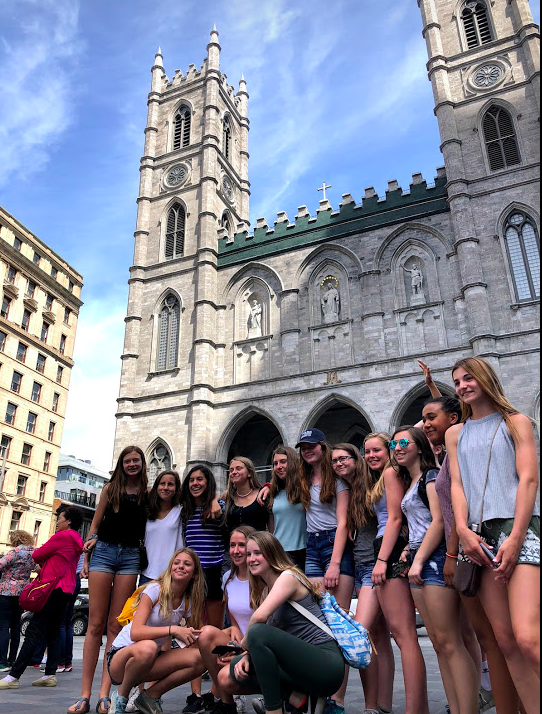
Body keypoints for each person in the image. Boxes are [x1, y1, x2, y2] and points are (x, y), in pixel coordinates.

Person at [447, 356, 540, 714]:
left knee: (529, 637)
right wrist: (461, 531)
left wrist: (516, 537)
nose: (462, 386)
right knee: (504, 641)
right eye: (456, 382)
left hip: (521, 530)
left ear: (485, 379)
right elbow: (457, 485)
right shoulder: (456, 434)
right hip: (478, 538)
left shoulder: (517, 422)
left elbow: (529, 480)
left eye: (468, 378)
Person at [392, 425, 479, 714]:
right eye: (394, 444)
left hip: (435, 559)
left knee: (450, 642)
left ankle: (468, 709)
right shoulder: (411, 480)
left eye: (404, 442)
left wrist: (417, 559)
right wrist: (409, 552)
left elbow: (440, 521)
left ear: (420, 445)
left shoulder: (430, 476)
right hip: (419, 558)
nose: (398, 447)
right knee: (440, 645)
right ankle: (456, 708)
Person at [218, 531, 345, 714]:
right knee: (231, 671)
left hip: (325, 664)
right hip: (300, 666)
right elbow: (265, 643)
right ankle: (295, 697)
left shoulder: (288, 577)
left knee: (256, 631)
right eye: (249, 554)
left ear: (271, 553)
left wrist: (245, 646)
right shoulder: (265, 592)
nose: (251, 559)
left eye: (257, 553)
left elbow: (259, 621)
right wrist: (247, 656)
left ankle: (273, 710)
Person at [68, 446, 149, 714]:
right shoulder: (110, 489)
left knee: (115, 626)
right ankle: (84, 695)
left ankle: (105, 695)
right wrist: (88, 560)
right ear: (121, 464)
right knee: (94, 624)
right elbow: (94, 527)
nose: (132, 464)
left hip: (130, 557)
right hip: (103, 552)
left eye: (136, 460)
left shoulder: (147, 493)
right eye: (128, 461)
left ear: (142, 463)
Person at [365, 432, 429, 714]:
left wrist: (381, 560)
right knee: (404, 637)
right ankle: (419, 708)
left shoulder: (391, 473)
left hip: (389, 549)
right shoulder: (393, 473)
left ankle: (414, 709)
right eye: (366, 451)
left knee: (403, 637)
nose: (371, 456)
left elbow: (393, 518)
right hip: (395, 546)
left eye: (377, 449)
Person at [333, 442, 394, 714]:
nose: (338, 464)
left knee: (357, 632)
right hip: (361, 565)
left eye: (344, 458)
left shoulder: (374, 480)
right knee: (378, 638)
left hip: (374, 564)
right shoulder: (346, 487)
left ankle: (344, 702)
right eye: (334, 460)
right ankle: (382, 706)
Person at [107, 548, 206, 714]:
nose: (180, 566)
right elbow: (135, 633)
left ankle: (150, 696)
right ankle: (120, 696)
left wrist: (224, 640)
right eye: (177, 563)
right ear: (170, 567)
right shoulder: (155, 590)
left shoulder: (187, 600)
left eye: (187, 564)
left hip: (149, 661)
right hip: (121, 658)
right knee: (149, 647)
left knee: (201, 659)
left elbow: (199, 635)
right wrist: (173, 630)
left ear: (194, 573)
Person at [296, 428, 354, 714]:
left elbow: (343, 523)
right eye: (303, 447)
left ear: (322, 447)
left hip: (333, 544)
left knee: (338, 624)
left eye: (311, 446)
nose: (307, 451)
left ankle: (337, 700)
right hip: (312, 546)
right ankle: (317, 694)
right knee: (317, 622)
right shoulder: (303, 478)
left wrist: (334, 561)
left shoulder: (338, 480)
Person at [0, 505, 84, 690]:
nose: (57, 521)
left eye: (60, 518)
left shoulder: (62, 536)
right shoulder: (77, 539)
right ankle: (50, 674)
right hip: (67, 588)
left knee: (33, 631)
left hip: (53, 588)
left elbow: (37, 555)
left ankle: (13, 676)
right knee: (54, 630)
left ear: (68, 521)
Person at [181, 465, 227, 714]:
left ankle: (219, 691)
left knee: (215, 633)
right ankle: (195, 693)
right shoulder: (185, 509)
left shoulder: (218, 507)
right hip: (193, 574)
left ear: (208, 482)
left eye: (200, 479)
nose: (195, 483)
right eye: (192, 480)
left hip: (214, 570)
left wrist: (217, 499)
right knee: (194, 633)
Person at [197, 525, 256, 714]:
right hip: (240, 642)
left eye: (241, 545)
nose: (236, 551)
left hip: (260, 645)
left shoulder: (263, 578)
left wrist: (244, 650)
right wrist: (233, 640)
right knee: (206, 634)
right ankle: (226, 702)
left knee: (225, 672)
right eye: (232, 545)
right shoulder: (227, 579)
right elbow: (235, 622)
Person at [265, 446, 306, 570]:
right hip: (279, 552)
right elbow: (272, 525)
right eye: (275, 463)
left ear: (293, 462)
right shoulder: (272, 492)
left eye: (283, 461)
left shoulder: (305, 488)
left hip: (303, 551)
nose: (278, 466)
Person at [140, 469, 184, 586]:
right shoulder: (147, 510)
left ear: (176, 489)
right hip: (146, 574)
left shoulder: (182, 510)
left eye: (170, 484)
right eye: (162, 484)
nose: (165, 488)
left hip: (171, 575)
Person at [0, 530, 35, 672]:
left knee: (3, 627)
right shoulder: (32, 554)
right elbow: (37, 568)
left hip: (6, 592)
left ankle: (2, 661)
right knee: (15, 628)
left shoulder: (14, 552)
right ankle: (12, 659)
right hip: (22, 594)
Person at [223, 457, 267, 534]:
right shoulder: (228, 496)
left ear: (249, 473)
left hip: (257, 544)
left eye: (238, 468)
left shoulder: (262, 494)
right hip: (232, 545)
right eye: (231, 470)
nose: (234, 472)